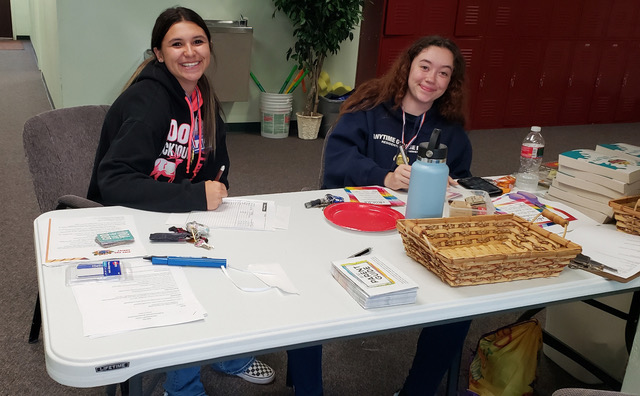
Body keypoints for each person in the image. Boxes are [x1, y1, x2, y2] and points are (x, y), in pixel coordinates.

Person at [88, 7, 322, 396]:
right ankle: (183, 386)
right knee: (192, 278)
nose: (189, 51)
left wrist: (217, 183)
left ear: (209, 47)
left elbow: (217, 162)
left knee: (236, 259)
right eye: (176, 43)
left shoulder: (202, 95)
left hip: (178, 212)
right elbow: (111, 181)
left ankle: (225, 355)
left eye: (197, 41)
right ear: (158, 54)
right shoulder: (149, 101)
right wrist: (196, 194)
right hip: (130, 219)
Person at [322, 36, 473, 395]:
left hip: (420, 231)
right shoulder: (370, 108)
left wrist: (454, 186)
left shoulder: (450, 129)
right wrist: (384, 177)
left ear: (450, 83)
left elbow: (464, 180)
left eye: (443, 73)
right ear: (408, 67)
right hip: (361, 228)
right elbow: (338, 158)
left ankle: (417, 390)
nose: (431, 79)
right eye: (425, 67)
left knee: (460, 303)